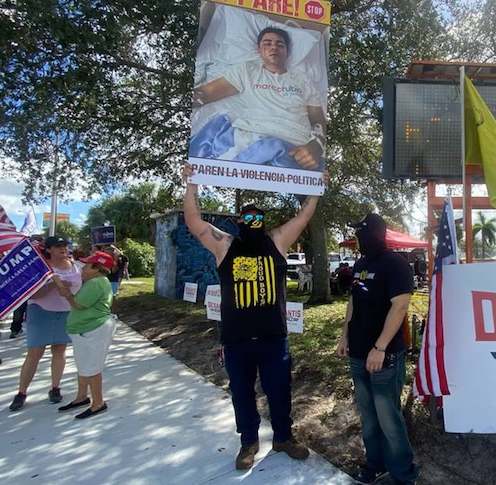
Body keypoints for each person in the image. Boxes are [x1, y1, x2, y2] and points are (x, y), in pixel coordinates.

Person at [181, 162, 317, 470]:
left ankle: (283, 437)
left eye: (259, 217)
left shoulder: (277, 242)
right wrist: (191, 184)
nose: (254, 221)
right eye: (248, 217)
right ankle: (248, 443)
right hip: (237, 340)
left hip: (273, 338)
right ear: (239, 221)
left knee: (280, 391)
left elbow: (304, 215)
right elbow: (193, 219)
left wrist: (315, 187)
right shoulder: (226, 245)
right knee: (242, 394)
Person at [337, 213, 420, 485]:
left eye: (362, 232)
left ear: (375, 232)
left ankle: (404, 475)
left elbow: (400, 307)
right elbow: (353, 301)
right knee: (369, 417)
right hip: (358, 353)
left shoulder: (396, 264)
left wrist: (380, 347)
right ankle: (376, 464)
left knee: (388, 418)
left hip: (384, 356)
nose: (359, 238)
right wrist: (344, 335)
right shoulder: (361, 263)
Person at [189, 27, 327, 171]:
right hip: (256, 137)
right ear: (259, 50)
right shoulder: (247, 71)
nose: (274, 47)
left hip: (297, 147)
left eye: (280, 44)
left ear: (287, 52)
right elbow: (205, 94)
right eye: (267, 43)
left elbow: (318, 121)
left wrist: (316, 145)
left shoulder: (304, 81)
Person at [9, 236, 82, 411]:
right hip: (41, 312)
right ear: (48, 249)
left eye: (64, 245)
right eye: (58, 246)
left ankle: (55, 388)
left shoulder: (75, 266)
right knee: (35, 352)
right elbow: (31, 295)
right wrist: (53, 286)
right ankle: (21, 392)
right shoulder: (40, 267)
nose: (63, 248)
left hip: (66, 313)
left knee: (60, 350)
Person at [55, 250, 116, 419]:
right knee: (84, 366)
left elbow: (79, 305)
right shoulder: (95, 282)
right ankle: (81, 397)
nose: (82, 269)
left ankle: (98, 403)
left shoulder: (96, 283)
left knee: (92, 367)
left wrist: (65, 292)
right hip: (87, 330)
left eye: (87, 266)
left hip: (93, 330)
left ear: (97, 268)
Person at [106, 245, 123, 314]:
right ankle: (108, 312)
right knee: (107, 297)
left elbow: (113, 270)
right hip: (106, 280)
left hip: (113, 280)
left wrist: (115, 260)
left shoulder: (118, 260)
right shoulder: (106, 259)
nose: (107, 252)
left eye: (109, 250)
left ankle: (114, 313)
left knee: (113, 296)